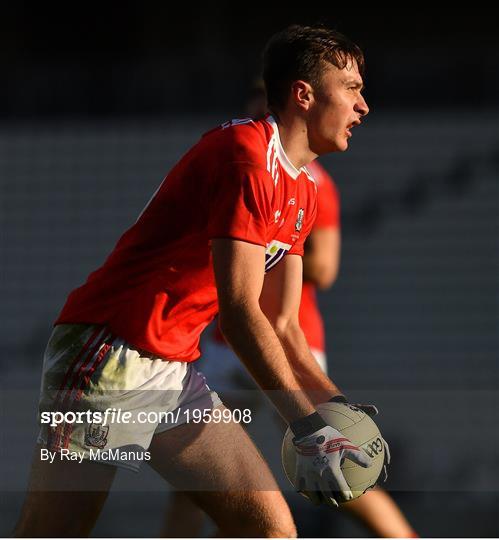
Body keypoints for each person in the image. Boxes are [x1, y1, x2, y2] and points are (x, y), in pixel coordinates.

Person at [14, 25, 380, 538]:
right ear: (304, 93)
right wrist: (306, 426)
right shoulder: (246, 155)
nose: (363, 106)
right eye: (353, 88)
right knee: (53, 534)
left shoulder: (303, 190)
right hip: (110, 352)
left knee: (270, 529)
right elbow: (239, 312)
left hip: (172, 369)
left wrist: (337, 412)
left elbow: (285, 325)